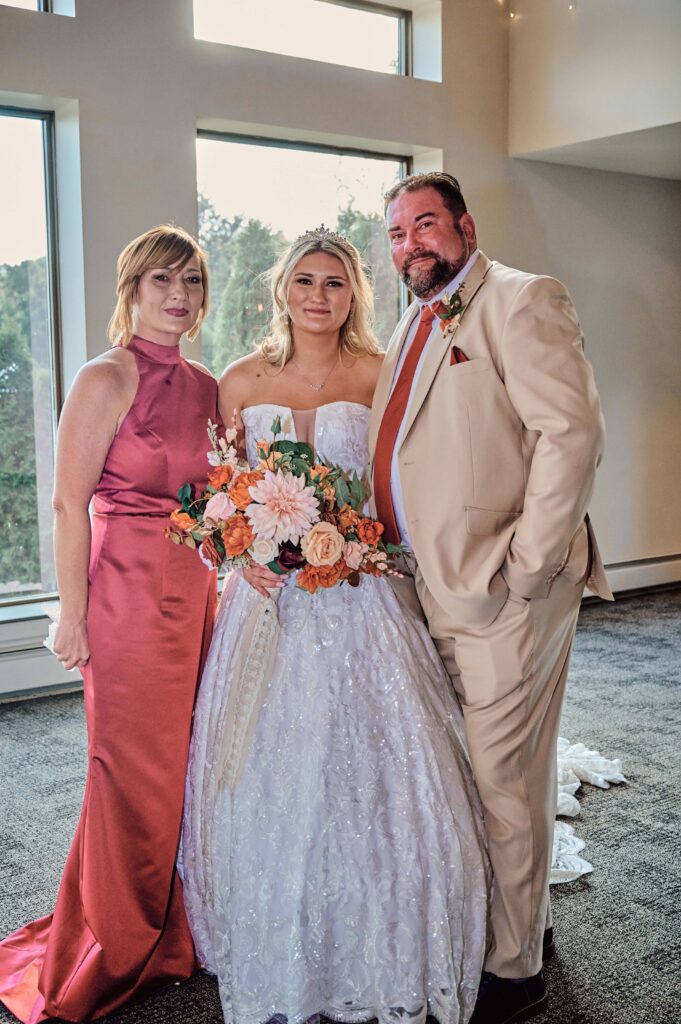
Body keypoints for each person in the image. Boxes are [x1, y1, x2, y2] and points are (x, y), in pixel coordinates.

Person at [180, 227, 491, 1024]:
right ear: (281, 288)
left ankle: (382, 929)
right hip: (270, 602)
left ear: (356, 294)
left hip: (362, 588)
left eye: (337, 284)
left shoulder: (383, 374)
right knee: (269, 768)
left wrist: (380, 548)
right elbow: (229, 489)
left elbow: (407, 481)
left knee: (381, 764)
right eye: (305, 282)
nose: (320, 297)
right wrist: (237, 553)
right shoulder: (240, 379)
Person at [369, 171, 613, 1024]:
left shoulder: (519, 298)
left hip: (504, 589)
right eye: (398, 233)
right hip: (426, 585)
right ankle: (512, 918)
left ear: (465, 225)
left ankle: (514, 967)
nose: (411, 246)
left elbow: (571, 432)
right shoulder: (412, 318)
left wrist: (528, 564)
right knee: (466, 772)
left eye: (425, 225)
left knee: (505, 774)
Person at [0, 225, 219, 1023]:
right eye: (162, 280)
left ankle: (168, 923)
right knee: (127, 769)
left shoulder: (206, 384)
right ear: (130, 289)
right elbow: (67, 504)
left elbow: (212, 501)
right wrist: (72, 613)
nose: (179, 297)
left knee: (184, 765)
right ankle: (117, 940)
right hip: (125, 595)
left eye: (192, 282)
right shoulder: (106, 376)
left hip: (195, 596)